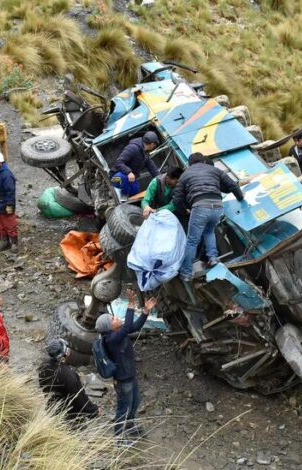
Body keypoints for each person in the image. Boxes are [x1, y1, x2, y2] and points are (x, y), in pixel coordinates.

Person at [172, 152, 245, 281]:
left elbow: (177, 199)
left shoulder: (185, 174)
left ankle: (187, 273)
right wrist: (241, 197)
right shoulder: (214, 170)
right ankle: (213, 258)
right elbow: (232, 185)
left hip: (200, 206)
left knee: (192, 240)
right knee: (209, 232)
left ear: (189, 164)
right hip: (217, 206)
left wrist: (185, 211)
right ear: (204, 161)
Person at [95, 291, 157, 439]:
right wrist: (130, 305)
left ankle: (129, 426)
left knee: (135, 402)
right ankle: (118, 438)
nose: (117, 318)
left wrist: (146, 311)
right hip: (123, 381)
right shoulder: (112, 339)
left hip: (130, 376)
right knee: (123, 408)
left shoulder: (118, 333)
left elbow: (134, 326)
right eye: (113, 318)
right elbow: (128, 326)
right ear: (109, 327)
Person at [38, 338, 99, 423]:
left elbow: (42, 385)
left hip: (52, 410)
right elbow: (80, 398)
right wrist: (94, 411)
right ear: (65, 353)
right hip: (70, 417)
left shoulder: (44, 365)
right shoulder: (69, 375)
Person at [110, 131, 160, 197]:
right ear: (152, 144)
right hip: (114, 178)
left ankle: (132, 203)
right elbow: (118, 162)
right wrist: (129, 172)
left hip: (129, 179)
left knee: (136, 189)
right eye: (155, 144)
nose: (155, 146)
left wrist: (161, 179)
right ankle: (123, 199)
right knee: (123, 177)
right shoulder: (132, 148)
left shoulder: (145, 153)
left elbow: (152, 168)